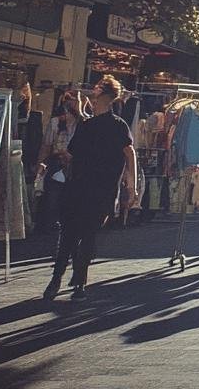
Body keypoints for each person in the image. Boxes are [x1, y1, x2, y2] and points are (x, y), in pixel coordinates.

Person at [44, 75, 137, 301]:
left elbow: (129, 152)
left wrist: (131, 183)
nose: (92, 99)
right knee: (75, 233)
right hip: (88, 186)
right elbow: (127, 152)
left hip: (93, 187)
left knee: (81, 234)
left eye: (96, 95)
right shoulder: (98, 125)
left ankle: (69, 280)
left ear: (106, 97)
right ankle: (69, 281)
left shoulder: (111, 125)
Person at [34, 88, 84, 233]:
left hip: (75, 162)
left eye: (76, 100)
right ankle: (49, 225)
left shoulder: (83, 123)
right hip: (57, 161)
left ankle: (65, 223)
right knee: (52, 196)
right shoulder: (56, 122)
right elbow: (46, 145)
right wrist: (40, 164)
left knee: (70, 195)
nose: (74, 104)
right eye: (70, 100)